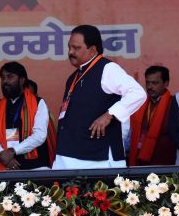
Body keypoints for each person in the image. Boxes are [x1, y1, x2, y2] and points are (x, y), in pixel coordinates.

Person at [52, 25, 145, 169]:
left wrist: (109, 115)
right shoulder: (74, 77)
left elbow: (137, 93)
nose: (70, 52)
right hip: (68, 155)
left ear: (93, 50)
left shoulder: (108, 69)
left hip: (96, 158)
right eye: (69, 47)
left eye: (76, 48)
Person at [0, 62, 52, 171]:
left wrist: (12, 151)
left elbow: (40, 135)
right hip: (7, 166)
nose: (5, 81)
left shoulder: (38, 102)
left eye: (10, 77)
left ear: (22, 79)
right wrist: (2, 154)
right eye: (2, 78)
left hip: (36, 166)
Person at [126, 65, 176, 166]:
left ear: (166, 83)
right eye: (148, 82)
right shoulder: (139, 102)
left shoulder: (174, 103)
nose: (149, 87)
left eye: (154, 83)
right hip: (139, 159)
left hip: (164, 160)